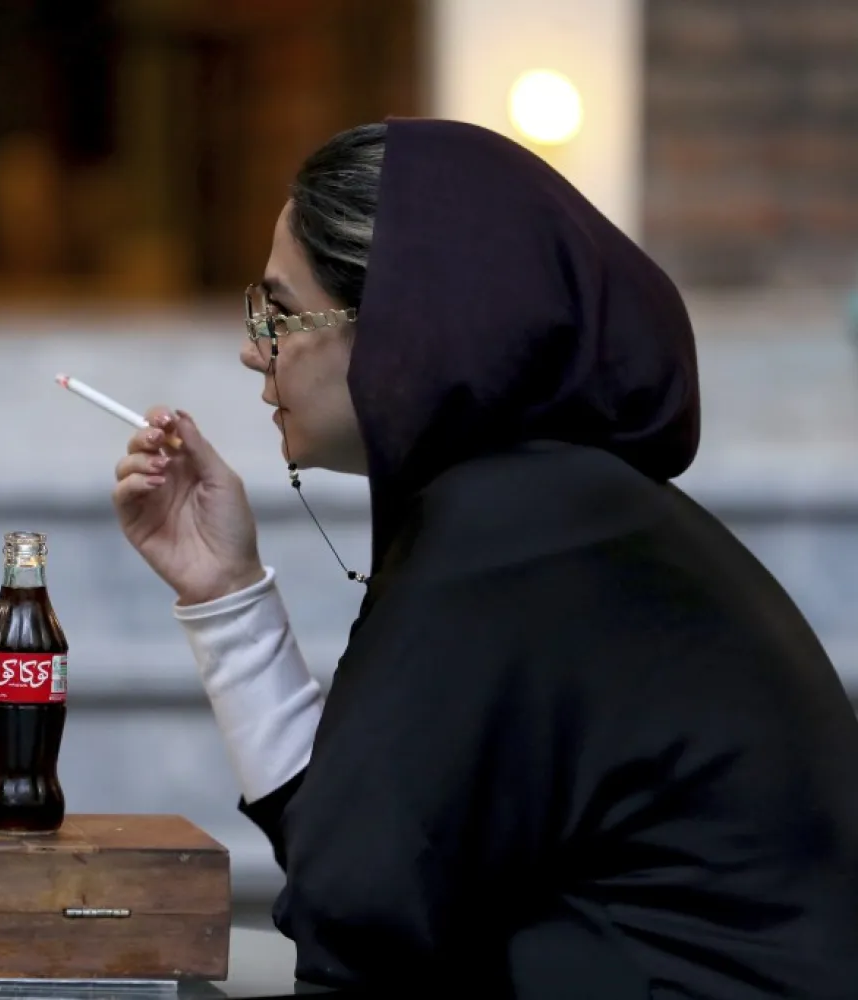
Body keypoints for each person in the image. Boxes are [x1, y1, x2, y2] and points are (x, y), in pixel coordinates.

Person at [111, 118, 858, 997]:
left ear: (401, 322)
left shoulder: (514, 526)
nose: (251, 349)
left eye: (279, 312)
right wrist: (224, 591)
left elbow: (354, 909)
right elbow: (365, 860)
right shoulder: (548, 504)